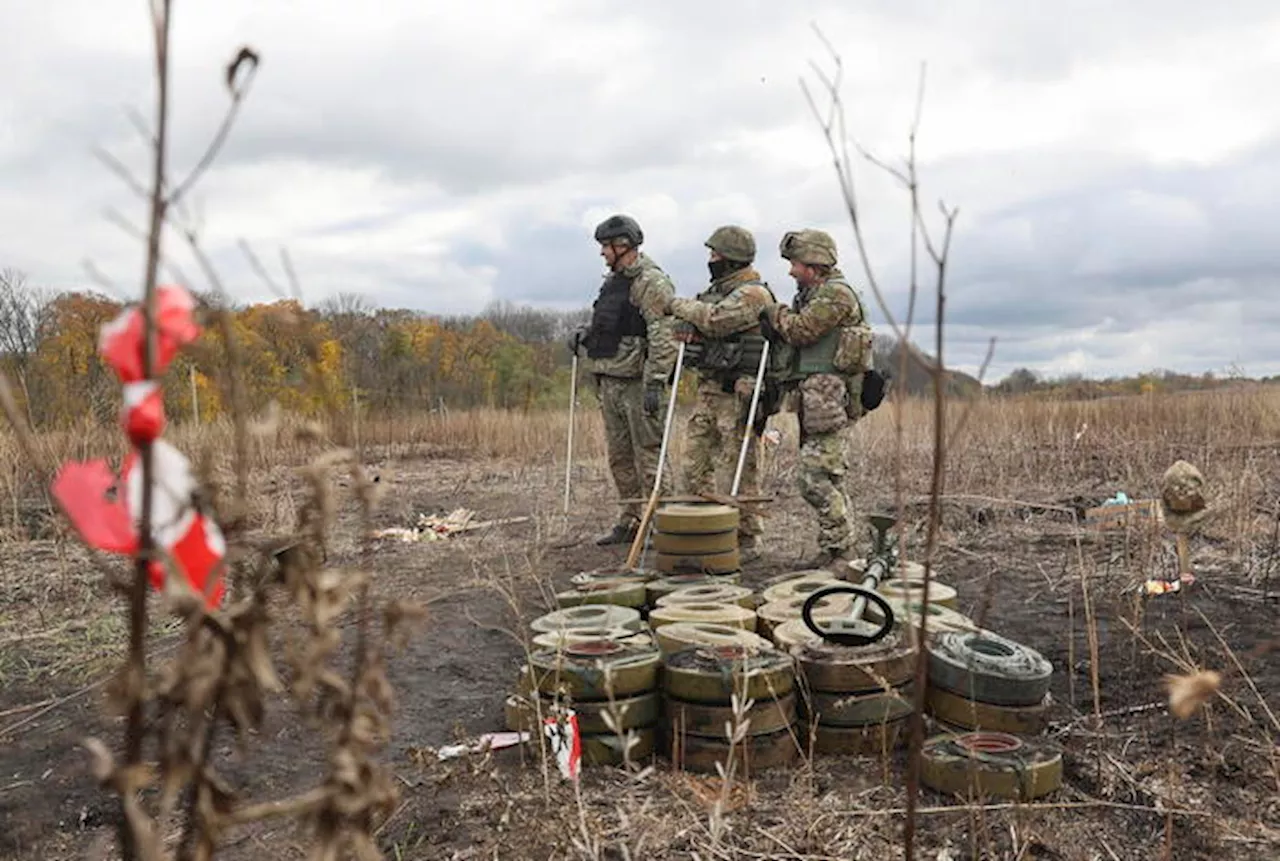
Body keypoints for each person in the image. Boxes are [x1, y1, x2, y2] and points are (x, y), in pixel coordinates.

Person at [759, 229, 875, 568]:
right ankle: (836, 547)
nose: (791, 271)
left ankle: (842, 550)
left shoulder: (835, 295)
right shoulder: (813, 294)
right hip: (817, 398)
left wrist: (773, 313)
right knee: (828, 474)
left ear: (815, 264)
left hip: (830, 397)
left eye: (796, 263)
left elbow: (801, 330)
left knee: (813, 478)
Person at [666, 225, 776, 562]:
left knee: (738, 468)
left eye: (715, 255)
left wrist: (677, 306)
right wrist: (686, 326)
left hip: (739, 393)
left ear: (730, 259)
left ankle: (745, 536)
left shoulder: (753, 294)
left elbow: (714, 321)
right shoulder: (716, 291)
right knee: (693, 463)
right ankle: (697, 526)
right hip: (709, 389)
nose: (710, 260)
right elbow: (690, 326)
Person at [567, 214, 677, 545]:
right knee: (619, 456)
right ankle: (631, 519)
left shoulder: (651, 282)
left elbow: (663, 335)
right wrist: (585, 336)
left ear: (623, 245)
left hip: (638, 383)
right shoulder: (613, 282)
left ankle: (663, 523)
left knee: (648, 455)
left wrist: (655, 381)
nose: (602, 253)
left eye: (606, 246)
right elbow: (612, 325)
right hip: (610, 379)